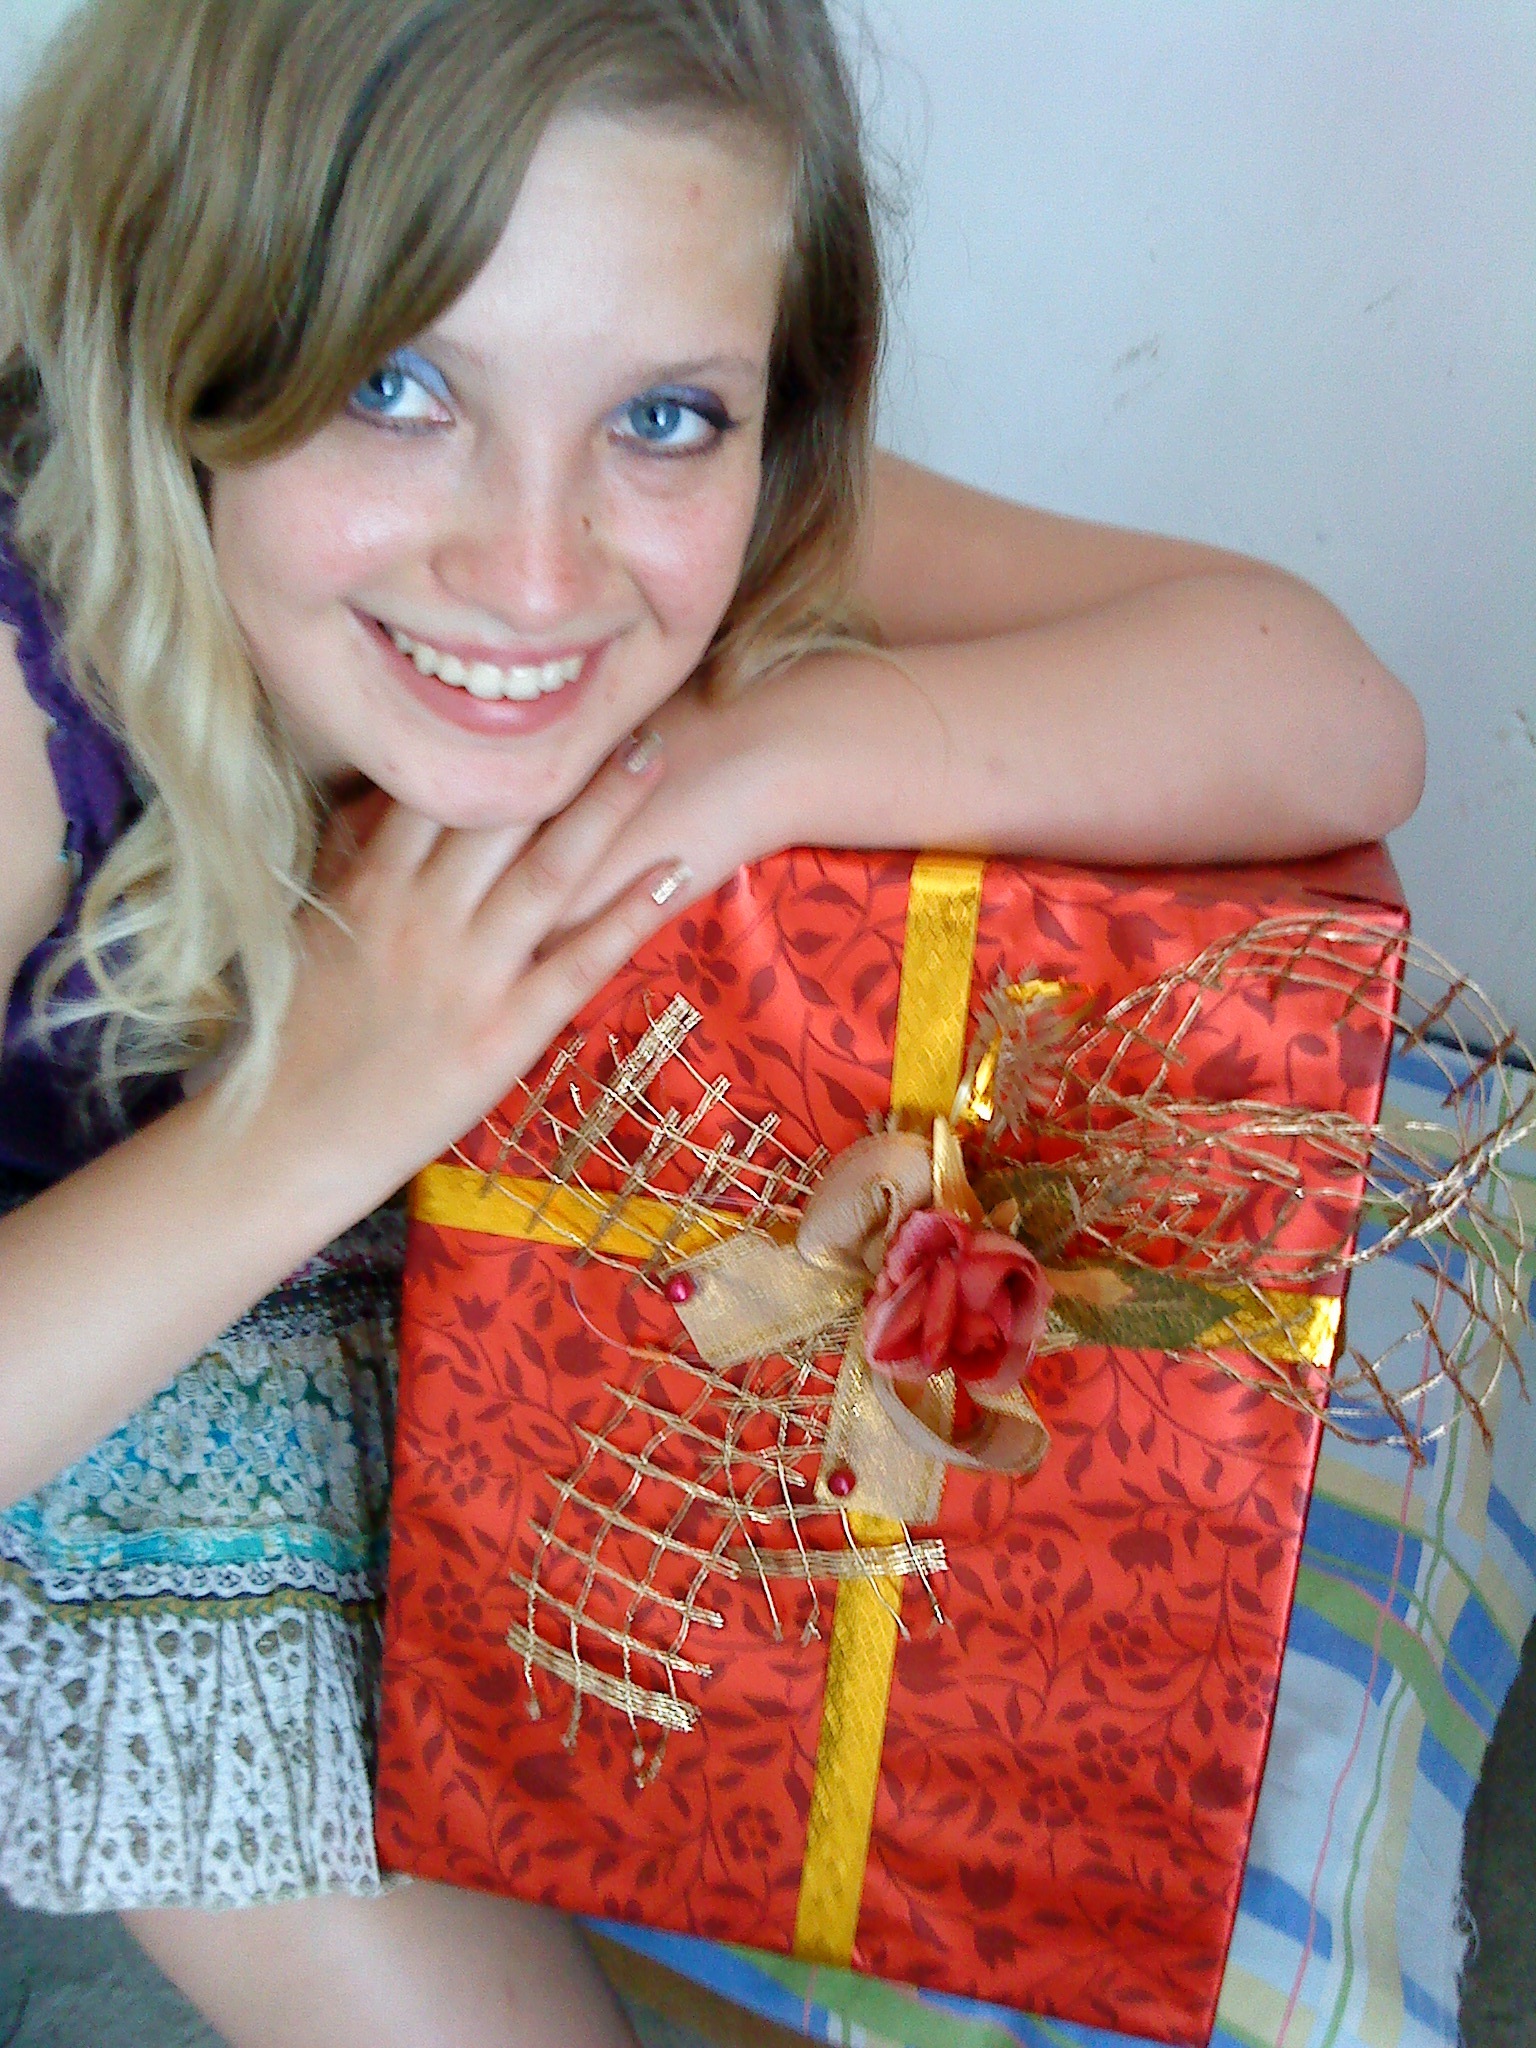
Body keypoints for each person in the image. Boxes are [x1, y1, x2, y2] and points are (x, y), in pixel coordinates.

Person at [0, 2, 1424, 2045]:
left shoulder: (729, 519)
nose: (533, 569)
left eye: (665, 415)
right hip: (108, 1383)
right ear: (173, 336)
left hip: (503, 1306)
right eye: (398, 384)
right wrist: (323, 1107)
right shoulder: (30, 690)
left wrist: (743, 762)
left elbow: (1330, 706)